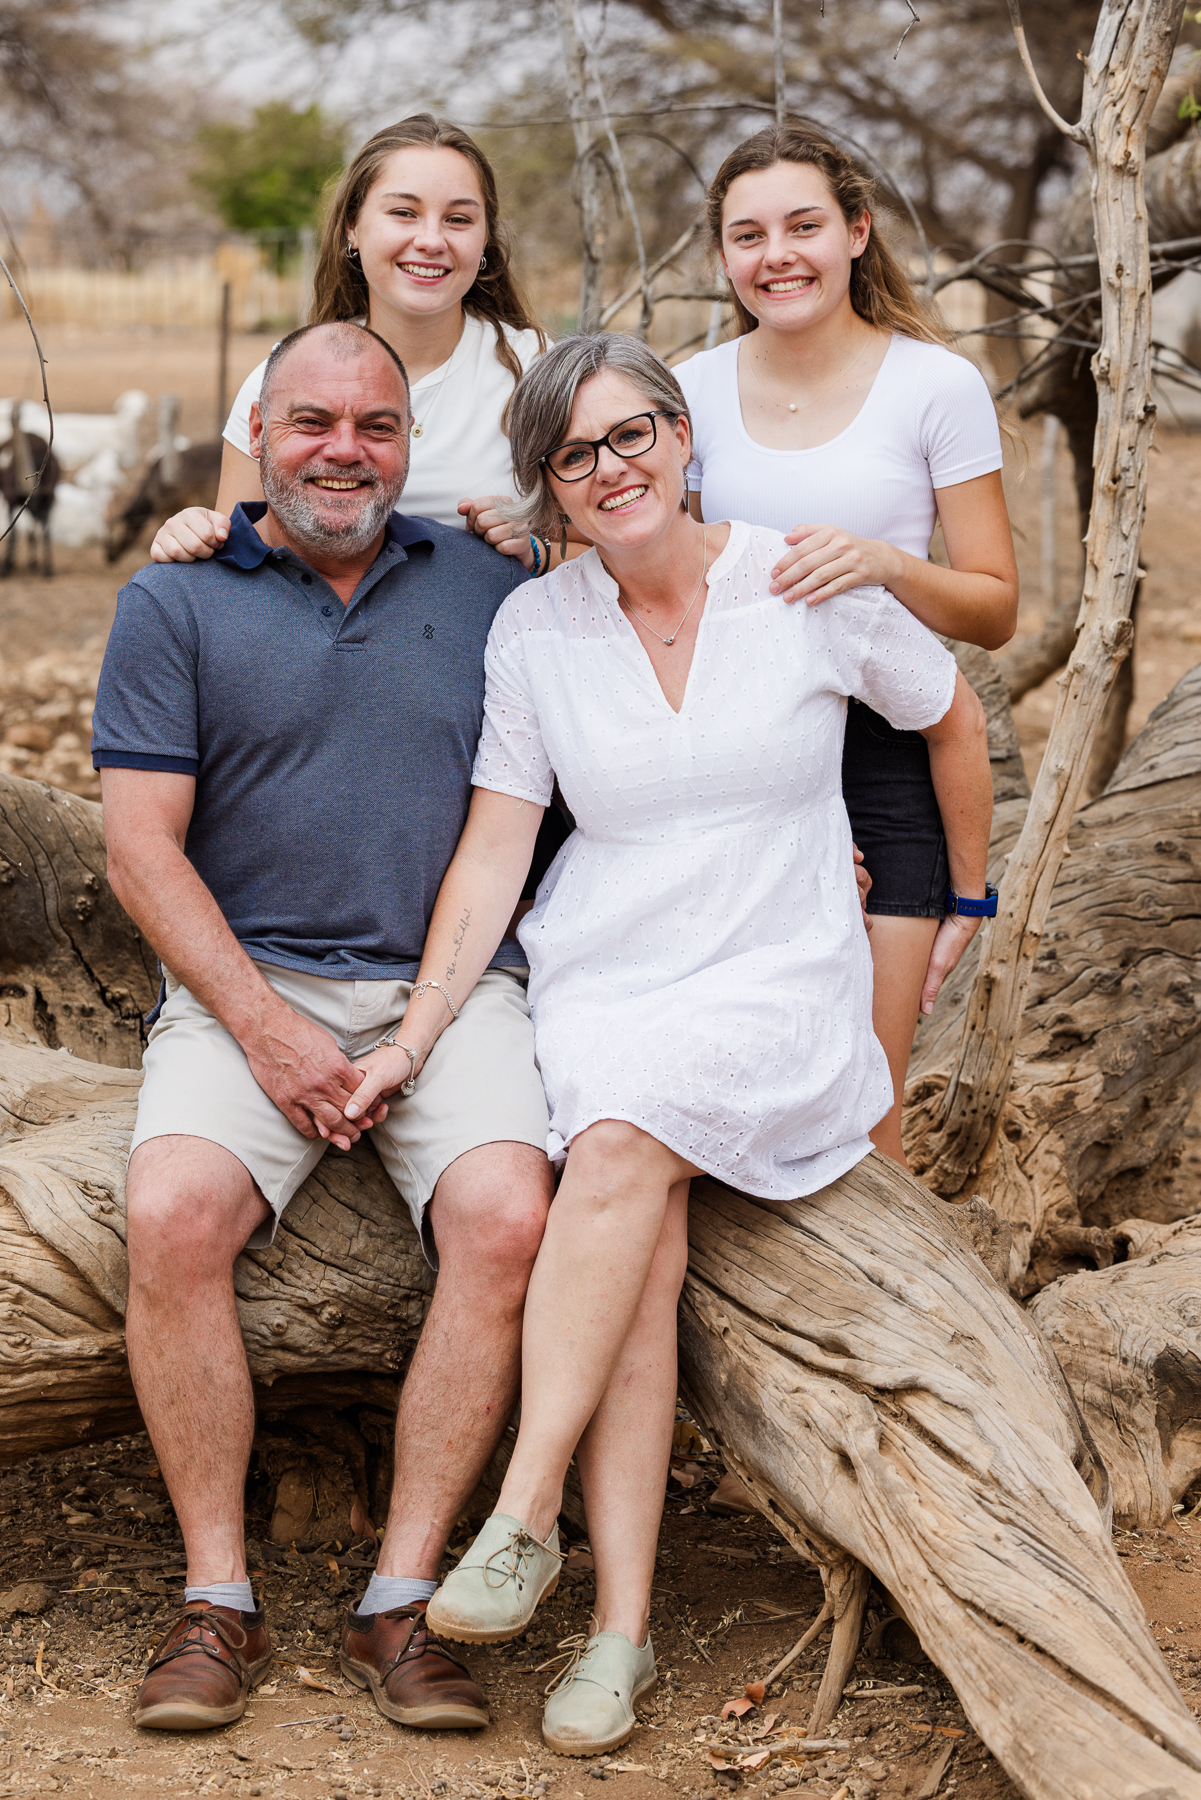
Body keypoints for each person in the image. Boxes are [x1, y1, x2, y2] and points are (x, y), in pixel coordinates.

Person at [341, 334, 994, 1758]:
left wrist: (966, 899)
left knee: (624, 1148)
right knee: (634, 1247)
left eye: (632, 434)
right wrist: (424, 1026)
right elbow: (497, 848)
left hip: (773, 967)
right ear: (550, 492)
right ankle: (621, 1633)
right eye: (575, 456)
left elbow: (951, 717)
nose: (612, 468)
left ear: (682, 436)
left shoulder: (801, 579)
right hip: (608, 973)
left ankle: (521, 1516)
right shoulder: (536, 630)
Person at [92, 320, 555, 1736]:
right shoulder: (174, 601)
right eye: (310, 423)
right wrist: (270, 1032)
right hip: (251, 984)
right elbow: (140, 855)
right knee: (169, 1212)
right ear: (260, 428)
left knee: (506, 1221)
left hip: (450, 985)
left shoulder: (493, 588)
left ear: (410, 441)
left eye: (375, 425)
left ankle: (399, 1599)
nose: (343, 451)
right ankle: (216, 1600)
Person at [673, 121, 1018, 1165]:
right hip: (735, 760)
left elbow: (995, 608)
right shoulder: (685, 392)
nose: (776, 255)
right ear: (722, 257)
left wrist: (887, 565)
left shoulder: (935, 387)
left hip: (887, 757)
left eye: (803, 226)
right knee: (730, 1082)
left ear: (857, 231)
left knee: (866, 1111)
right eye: (747, 235)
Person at [150, 112, 552, 573]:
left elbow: (620, 554)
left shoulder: (538, 372)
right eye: (404, 212)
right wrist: (191, 533)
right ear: (352, 228)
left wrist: (538, 551)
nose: (431, 240)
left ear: (485, 241)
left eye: (459, 219)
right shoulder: (279, 379)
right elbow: (234, 562)